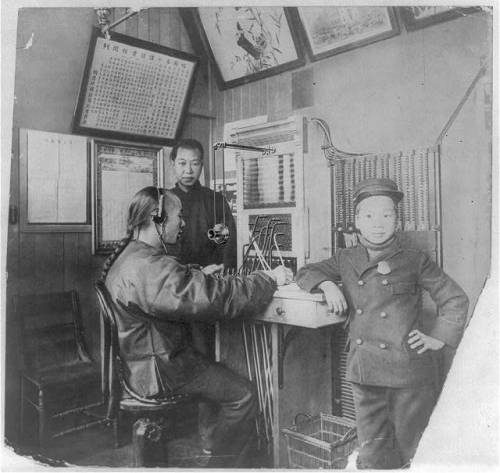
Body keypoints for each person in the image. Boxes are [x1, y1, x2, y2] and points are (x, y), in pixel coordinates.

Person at [102, 186, 292, 468]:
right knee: (244, 395)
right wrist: (268, 278)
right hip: (163, 369)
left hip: (144, 364)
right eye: (179, 217)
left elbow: (168, 287)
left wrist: (196, 275)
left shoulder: (133, 256)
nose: (183, 224)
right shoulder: (147, 266)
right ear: (158, 219)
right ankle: (221, 464)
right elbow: (216, 299)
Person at [295, 178, 469, 469]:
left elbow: (455, 298)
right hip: (364, 372)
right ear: (357, 221)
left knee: (412, 452)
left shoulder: (415, 259)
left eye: (387, 215)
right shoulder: (346, 258)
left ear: (397, 221)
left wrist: (438, 337)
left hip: (408, 374)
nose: (378, 223)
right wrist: (327, 284)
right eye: (369, 215)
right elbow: (306, 272)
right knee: (372, 454)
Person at [168, 138, 237, 456]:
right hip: (170, 294)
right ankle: (168, 430)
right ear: (173, 164)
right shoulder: (163, 204)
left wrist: (217, 269)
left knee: (204, 359)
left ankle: (208, 435)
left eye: (195, 163)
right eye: (182, 163)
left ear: (202, 165)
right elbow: (160, 250)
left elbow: (223, 246)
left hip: (205, 294)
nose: (188, 169)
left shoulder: (213, 202)